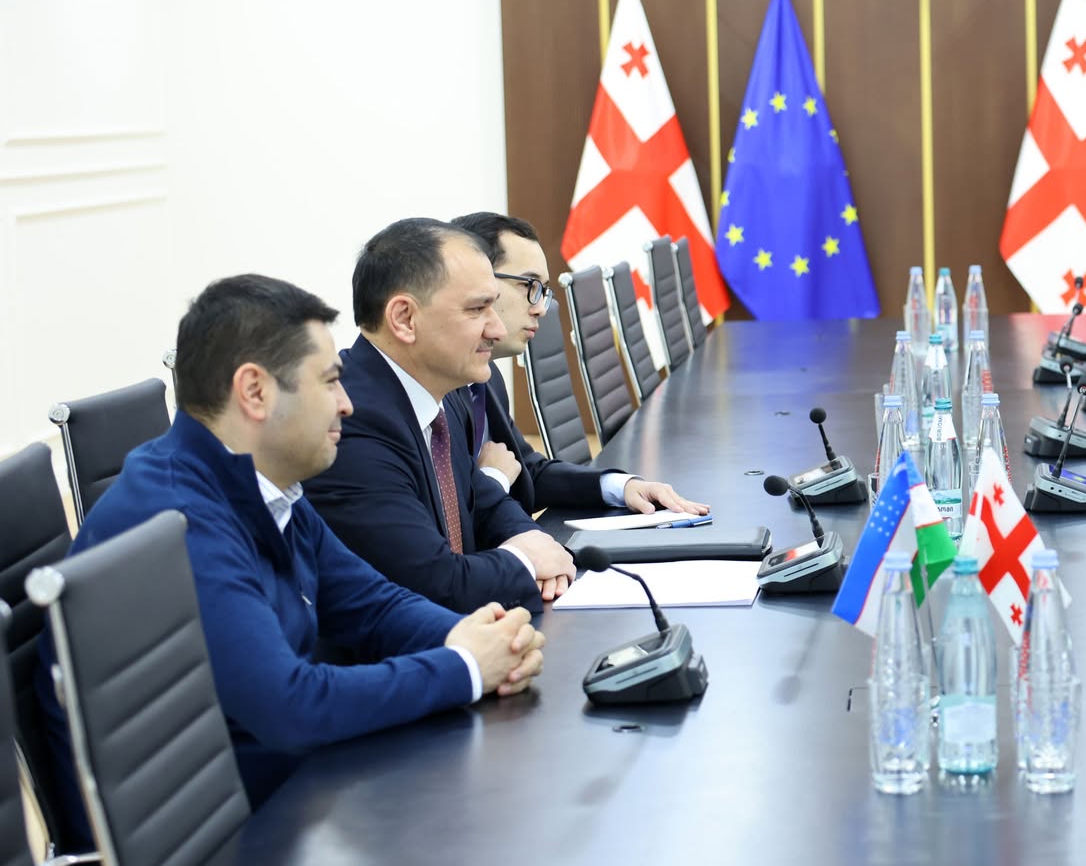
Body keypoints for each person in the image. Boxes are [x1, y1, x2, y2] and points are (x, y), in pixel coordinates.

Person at [42, 275, 546, 807]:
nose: (346, 404)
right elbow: (289, 705)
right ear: (255, 392)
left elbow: (370, 604)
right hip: (224, 833)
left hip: (284, 790)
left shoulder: (260, 482)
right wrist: (465, 667)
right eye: (329, 382)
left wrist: (474, 638)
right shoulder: (179, 518)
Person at [305, 218, 575, 612]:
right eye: (478, 309)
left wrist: (538, 545)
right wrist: (526, 561)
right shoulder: (352, 423)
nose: (497, 329)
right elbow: (435, 584)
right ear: (404, 319)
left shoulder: (445, 394)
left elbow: (484, 501)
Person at [450, 211, 705, 516]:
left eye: (543, 291)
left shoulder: (485, 378)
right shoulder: (437, 391)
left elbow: (526, 472)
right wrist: (496, 479)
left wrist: (621, 486)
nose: (541, 309)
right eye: (530, 285)